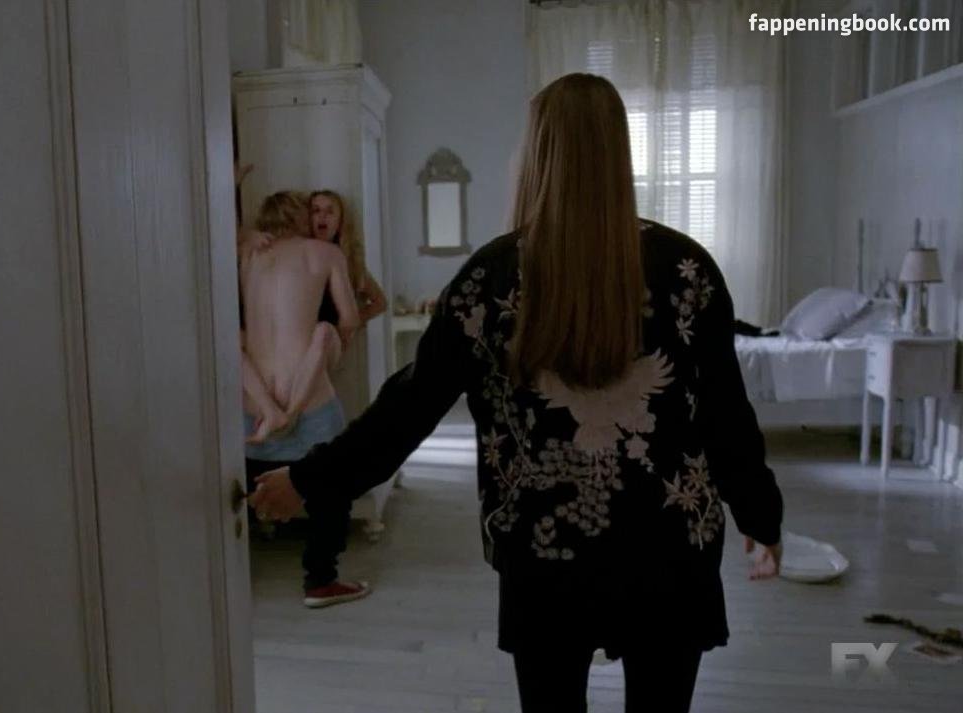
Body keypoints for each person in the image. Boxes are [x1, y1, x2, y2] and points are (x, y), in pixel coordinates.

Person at [250, 74, 784, 712]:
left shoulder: (491, 278)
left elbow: (408, 408)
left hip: (545, 552)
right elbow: (726, 417)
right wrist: (762, 517)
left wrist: (309, 480)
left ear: (536, 156)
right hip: (668, 547)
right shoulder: (687, 270)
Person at [241, 191, 371, 608]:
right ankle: (320, 581)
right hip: (309, 396)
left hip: (253, 404)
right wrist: (334, 346)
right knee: (334, 486)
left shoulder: (246, 254)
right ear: (302, 217)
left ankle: (224, 577)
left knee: (237, 484)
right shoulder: (325, 254)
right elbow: (349, 318)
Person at [308, 190, 387, 326]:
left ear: (340, 221)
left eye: (330, 212)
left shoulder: (349, 260)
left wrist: (345, 327)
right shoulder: (301, 256)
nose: (322, 216)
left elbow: (380, 303)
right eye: (316, 210)